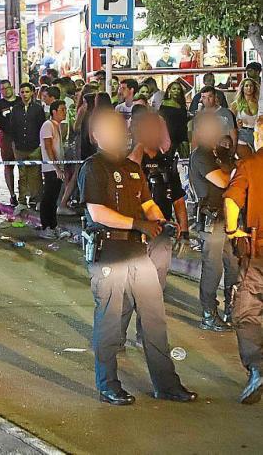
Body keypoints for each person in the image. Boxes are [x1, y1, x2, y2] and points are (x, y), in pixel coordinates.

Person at [78, 109, 197, 406]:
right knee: (109, 322)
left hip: (137, 252)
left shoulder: (133, 168)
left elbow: (147, 203)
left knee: (154, 319)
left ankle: (166, 385)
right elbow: (97, 212)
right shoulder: (93, 167)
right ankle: (108, 385)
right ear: (96, 136)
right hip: (109, 252)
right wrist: (138, 224)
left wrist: (162, 222)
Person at [125, 111, 190, 346]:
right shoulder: (129, 159)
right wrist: (140, 145)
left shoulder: (166, 162)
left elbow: (178, 199)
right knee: (127, 291)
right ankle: (114, 338)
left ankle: (145, 335)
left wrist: (184, 231)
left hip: (161, 233)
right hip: (134, 233)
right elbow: (130, 170)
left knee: (154, 289)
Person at [189, 113, 238, 330]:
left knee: (233, 265)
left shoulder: (217, 152)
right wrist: (236, 172)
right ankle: (209, 314)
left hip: (226, 217)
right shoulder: (201, 155)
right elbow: (223, 180)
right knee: (213, 269)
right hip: (211, 218)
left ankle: (232, 309)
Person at [223, 137, 263, 404]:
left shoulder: (250, 165)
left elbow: (231, 200)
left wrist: (232, 230)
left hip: (258, 254)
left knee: (247, 312)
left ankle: (258, 368)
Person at [10, 82, 46, 209]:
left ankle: (36, 199)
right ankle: (22, 200)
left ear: (32, 93)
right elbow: (13, 128)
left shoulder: (38, 109)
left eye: (27, 92)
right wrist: (14, 146)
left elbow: (41, 127)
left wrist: (40, 145)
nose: (25, 94)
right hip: (20, 147)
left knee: (35, 175)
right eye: (22, 92)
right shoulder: (16, 109)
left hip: (35, 146)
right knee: (22, 175)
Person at [38, 100, 66, 238]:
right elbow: (48, 147)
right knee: (48, 197)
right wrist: (56, 168)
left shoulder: (57, 126)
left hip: (57, 167)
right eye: (62, 110)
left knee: (54, 198)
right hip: (50, 168)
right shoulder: (48, 125)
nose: (64, 112)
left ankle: (53, 225)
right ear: (54, 111)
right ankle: (46, 226)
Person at [0, 80, 19, 205]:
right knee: (8, 166)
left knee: (25, 167)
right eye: (2, 89)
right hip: (7, 137)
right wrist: (3, 119)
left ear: (12, 87)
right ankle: (12, 194)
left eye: (7, 88)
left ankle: (24, 195)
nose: (6, 91)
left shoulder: (20, 101)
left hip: (22, 138)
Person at [158, 81, 189, 156]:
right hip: (169, 137)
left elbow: (183, 123)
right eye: (174, 89)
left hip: (182, 136)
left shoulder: (182, 105)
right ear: (169, 90)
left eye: (178, 89)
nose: (176, 91)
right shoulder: (164, 104)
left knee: (184, 160)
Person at [231, 78, 260, 149]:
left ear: (254, 88)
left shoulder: (259, 103)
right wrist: (236, 124)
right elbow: (230, 123)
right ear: (242, 88)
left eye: (251, 86)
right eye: (246, 86)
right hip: (242, 134)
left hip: (258, 134)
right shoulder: (235, 104)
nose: (249, 88)